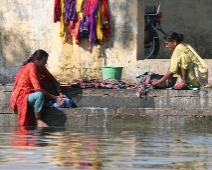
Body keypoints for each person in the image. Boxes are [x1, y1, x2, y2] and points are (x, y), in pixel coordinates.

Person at [10, 49, 64, 128]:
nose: (45, 63)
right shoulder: (31, 66)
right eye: (44, 61)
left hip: (30, 94)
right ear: (37, 60)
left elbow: (52, 79)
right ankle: (38, 121)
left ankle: (41, 103)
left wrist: (61, 93)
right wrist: (55, 97)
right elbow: (38, 89)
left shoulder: (41, 67)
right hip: (21, 97)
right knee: (39, 95)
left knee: (47, 81)